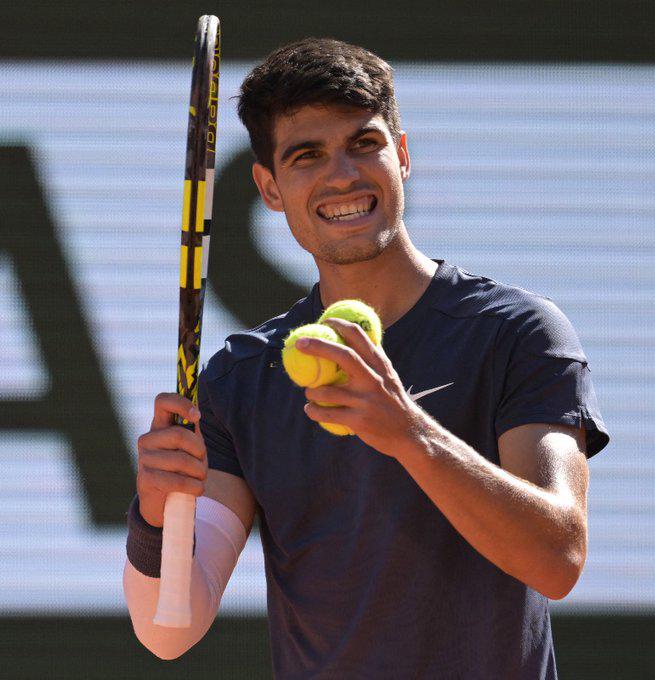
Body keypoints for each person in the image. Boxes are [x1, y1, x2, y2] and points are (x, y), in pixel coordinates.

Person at [123, 38, 610, 678]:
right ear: (269, 188)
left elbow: (558, 558)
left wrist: (407, 432)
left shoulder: (517, 332)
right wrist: (156, 517)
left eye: (365, 144)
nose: (343, 175)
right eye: (307, 156)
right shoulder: (241, 378)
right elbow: (169, 630)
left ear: (401, 155)